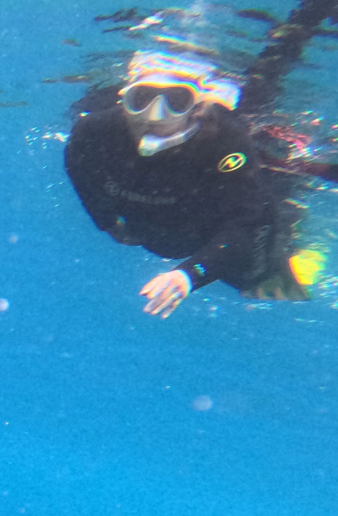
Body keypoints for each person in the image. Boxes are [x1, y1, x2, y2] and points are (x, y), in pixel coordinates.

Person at [63, 50, 308, 317]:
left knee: (268, 281)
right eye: (141, 98)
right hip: (167, 229)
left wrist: (189, 276)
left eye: (177, 101)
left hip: (217, 224)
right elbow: (78, 168)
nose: (155, 116)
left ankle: (304, 246)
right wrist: (106, 221)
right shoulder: (93, 131)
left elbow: (246, 220)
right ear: (124, 98)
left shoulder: (226, 139)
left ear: (197, 106)